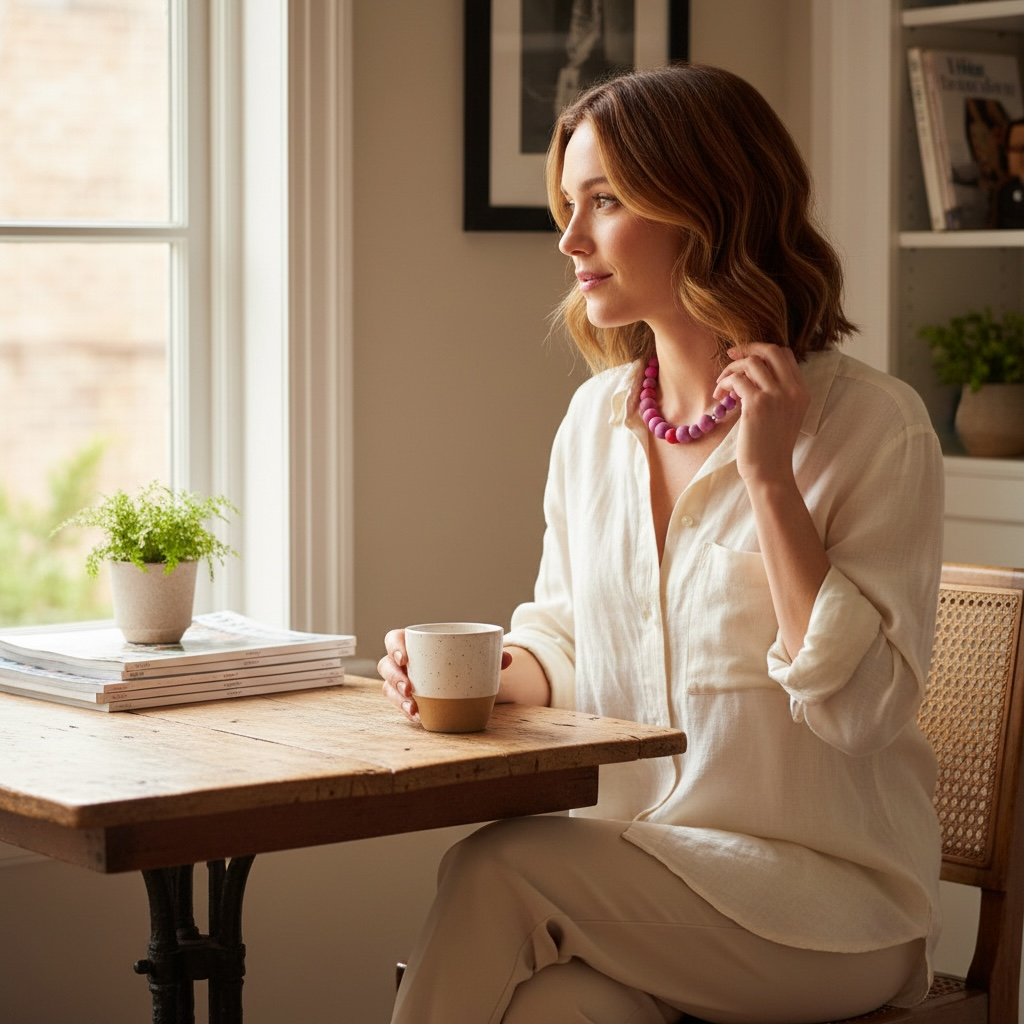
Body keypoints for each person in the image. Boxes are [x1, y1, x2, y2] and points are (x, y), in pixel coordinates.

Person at [379, 63, 944, 1024]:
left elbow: (861, 713)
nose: (570, 239)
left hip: (828, 910)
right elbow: (564, 637)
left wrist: (770, 479)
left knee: (497, 867)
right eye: (568, 204)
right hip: (647, 884)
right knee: (549, 1011)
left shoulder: (874, 428)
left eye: (605, 201)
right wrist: (489, 671)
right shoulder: (594, 421)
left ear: (707, 206)